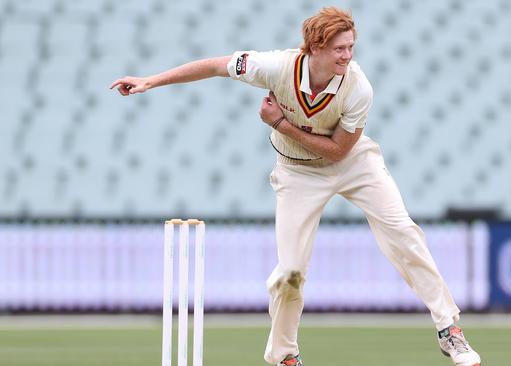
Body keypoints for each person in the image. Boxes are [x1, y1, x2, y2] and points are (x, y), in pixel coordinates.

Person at [110, 7, 481, 366]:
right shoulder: (275, 66)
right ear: (315, 47)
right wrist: (150, 81)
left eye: (351, 47)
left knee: (403, 232)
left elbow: (338, 152)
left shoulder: (358, 87)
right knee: (290, 273)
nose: (348, 56)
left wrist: (281, 125)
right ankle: (285, 355)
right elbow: (214, 66)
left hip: (353, 164)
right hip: (298, 172)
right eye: (340, 48)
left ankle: (448, 327)